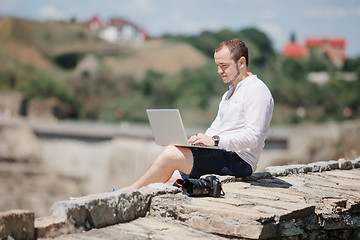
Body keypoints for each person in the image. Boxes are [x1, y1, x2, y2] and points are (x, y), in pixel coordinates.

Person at [124, 38, 273, 190]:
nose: (219, 71)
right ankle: (134, 194)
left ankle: (127, 192)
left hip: (240, 161)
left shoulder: (256, 90)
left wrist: (214, 141)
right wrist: (198, 142)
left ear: (241, 62)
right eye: (217, 66)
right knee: (171, 173)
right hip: (222, 154)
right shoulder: (230, 93)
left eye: (224, 66)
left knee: (171, 155)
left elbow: (253, 137)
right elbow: (217, 129)